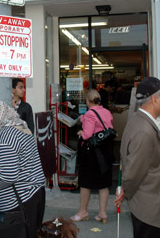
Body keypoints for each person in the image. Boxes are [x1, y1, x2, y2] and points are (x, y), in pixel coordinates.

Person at [114, 77, 160, 238]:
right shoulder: (144, 130)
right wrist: (126, 190)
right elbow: (133, 173)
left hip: (150, 206)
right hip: (149, 209)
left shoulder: (139, 121)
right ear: (155, 99)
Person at [0, 99, 45, 238]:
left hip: (21, 201)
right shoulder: (18, 127)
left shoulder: (6, 139)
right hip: (33, 194)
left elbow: (7, 176)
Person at [71, 89, 115, 224]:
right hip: (105, 151)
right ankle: (102, 213)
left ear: (88, 101)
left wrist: (81, 132)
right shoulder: (106, 112)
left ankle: (83, 211)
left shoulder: (90, 114)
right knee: (103, 184)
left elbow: (87, 134)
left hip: (92, 153)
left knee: (85, 183)